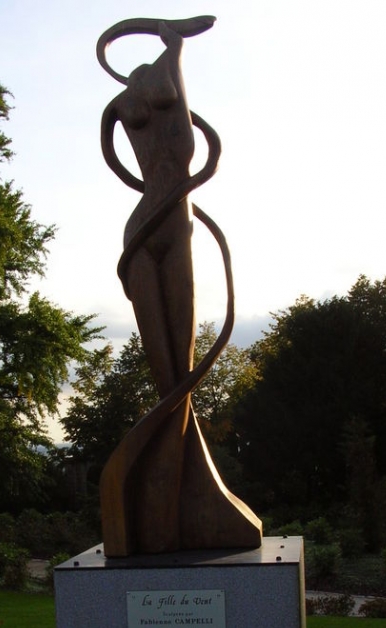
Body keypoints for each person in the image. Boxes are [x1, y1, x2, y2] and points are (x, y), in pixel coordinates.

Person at [97, 17, 261, 556]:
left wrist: (170, 30)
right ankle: (169, 511)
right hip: (147, 230)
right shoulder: (122, 105)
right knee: (169, 376)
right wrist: (172, 33)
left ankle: (170, 509)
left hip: (171, 225)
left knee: (181, 377)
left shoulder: (163, 82)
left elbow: (173, 41)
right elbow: (120, 165)